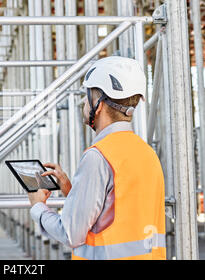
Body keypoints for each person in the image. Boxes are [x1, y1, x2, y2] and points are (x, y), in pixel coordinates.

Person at [27, 56, 166, 260]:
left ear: (98, 104)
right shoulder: (146, 153)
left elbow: (70, 233)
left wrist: (38, 207)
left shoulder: (98, 156)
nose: (84, 102)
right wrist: (71, 192)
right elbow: (120, 214)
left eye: (87, 95)